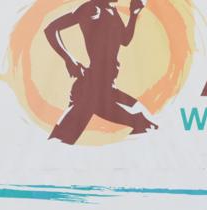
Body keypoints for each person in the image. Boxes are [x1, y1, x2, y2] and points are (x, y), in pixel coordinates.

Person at [44, 0, 157, 144]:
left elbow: (124, 40)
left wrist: (134, 14)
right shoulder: (92, 8)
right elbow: (51, 29)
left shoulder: (111, 9)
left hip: (106, 86)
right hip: (93, 85)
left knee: (146, 123)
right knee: (62, 139)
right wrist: (69, 60)